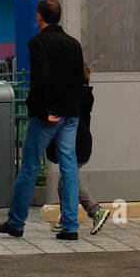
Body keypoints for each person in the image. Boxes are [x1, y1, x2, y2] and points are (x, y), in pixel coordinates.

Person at [0, 0, 84, 241]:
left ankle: (16, 222)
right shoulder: (74, 44)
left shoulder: (38, 42)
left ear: (39, 16)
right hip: (71, 112)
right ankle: (70, 225)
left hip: (48, 114)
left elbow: (41, 77)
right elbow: (78, 79)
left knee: (30, 166)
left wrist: (43, 110)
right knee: (68, 167)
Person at [46, 63, 109, 236]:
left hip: (76, 145)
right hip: (81, 145)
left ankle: (95, 211)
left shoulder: (76, 97)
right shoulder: (85, 95)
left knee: (69, 181)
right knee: (63, 184)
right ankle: (65, 218)